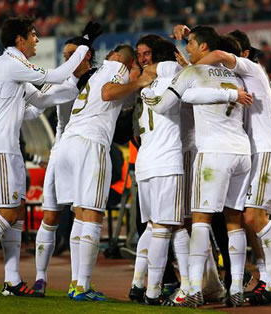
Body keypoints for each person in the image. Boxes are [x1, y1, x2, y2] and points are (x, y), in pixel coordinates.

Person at [0, 16, 99, 297]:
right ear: (20, 40)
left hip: (7, 147)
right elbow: (53, 77)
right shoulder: (10, 64)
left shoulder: (12, 68)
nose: (37, 39)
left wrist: (77, 83)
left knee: (15, 217)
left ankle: (12, 280)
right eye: (33, 34)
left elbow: (40, 101)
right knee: (8, 213)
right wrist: (83, 46)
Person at [179, 30, 271, 306]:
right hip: (251, 151)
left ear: (243, 55)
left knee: (253, 219)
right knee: (247, 218)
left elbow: (220, 56)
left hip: (265, 150)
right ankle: (269, 282)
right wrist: (190, 38)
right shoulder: (238, 79)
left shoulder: (250, 69)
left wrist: (193, 67)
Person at [146, 26, 253, 307]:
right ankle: (237, 288)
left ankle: (193, 289)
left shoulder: (192, 74)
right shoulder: (233, 74)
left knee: (201, 220)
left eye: (191, 43)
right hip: (242, 152)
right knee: (233, 222)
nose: (187, 49)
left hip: (214, 153)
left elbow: (162, 105)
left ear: (204, 46)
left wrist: (148, 94)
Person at [54, 44, 155, 301]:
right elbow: (109, 93)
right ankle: (83, 287)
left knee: (80, 213)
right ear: (125, 61)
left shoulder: (99, 71)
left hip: (68, 143)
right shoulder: (116, 68)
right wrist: (139, 82)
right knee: (93, 215)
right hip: (90, 143)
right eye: (136, 67)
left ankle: (76, 283)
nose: (136, 72)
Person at [21, 35, 97, 296]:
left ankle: (78, 282)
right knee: (50, 217)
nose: (67, 59)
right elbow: (35, 110)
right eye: (64, 55)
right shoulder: (62, 82)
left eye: (71, 54)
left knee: (80, 213)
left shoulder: (98, 79)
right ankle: (41, 278)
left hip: (85, 151)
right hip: (61, 150)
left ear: (85, 54)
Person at [130, 38, 189, 306]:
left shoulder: (147, 85)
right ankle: (153, 292)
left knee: (161, 226)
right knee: (165, 228)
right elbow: (195, 76)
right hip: (167, 162)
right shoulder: (175, 78)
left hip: (145, 163)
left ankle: (140, 284)